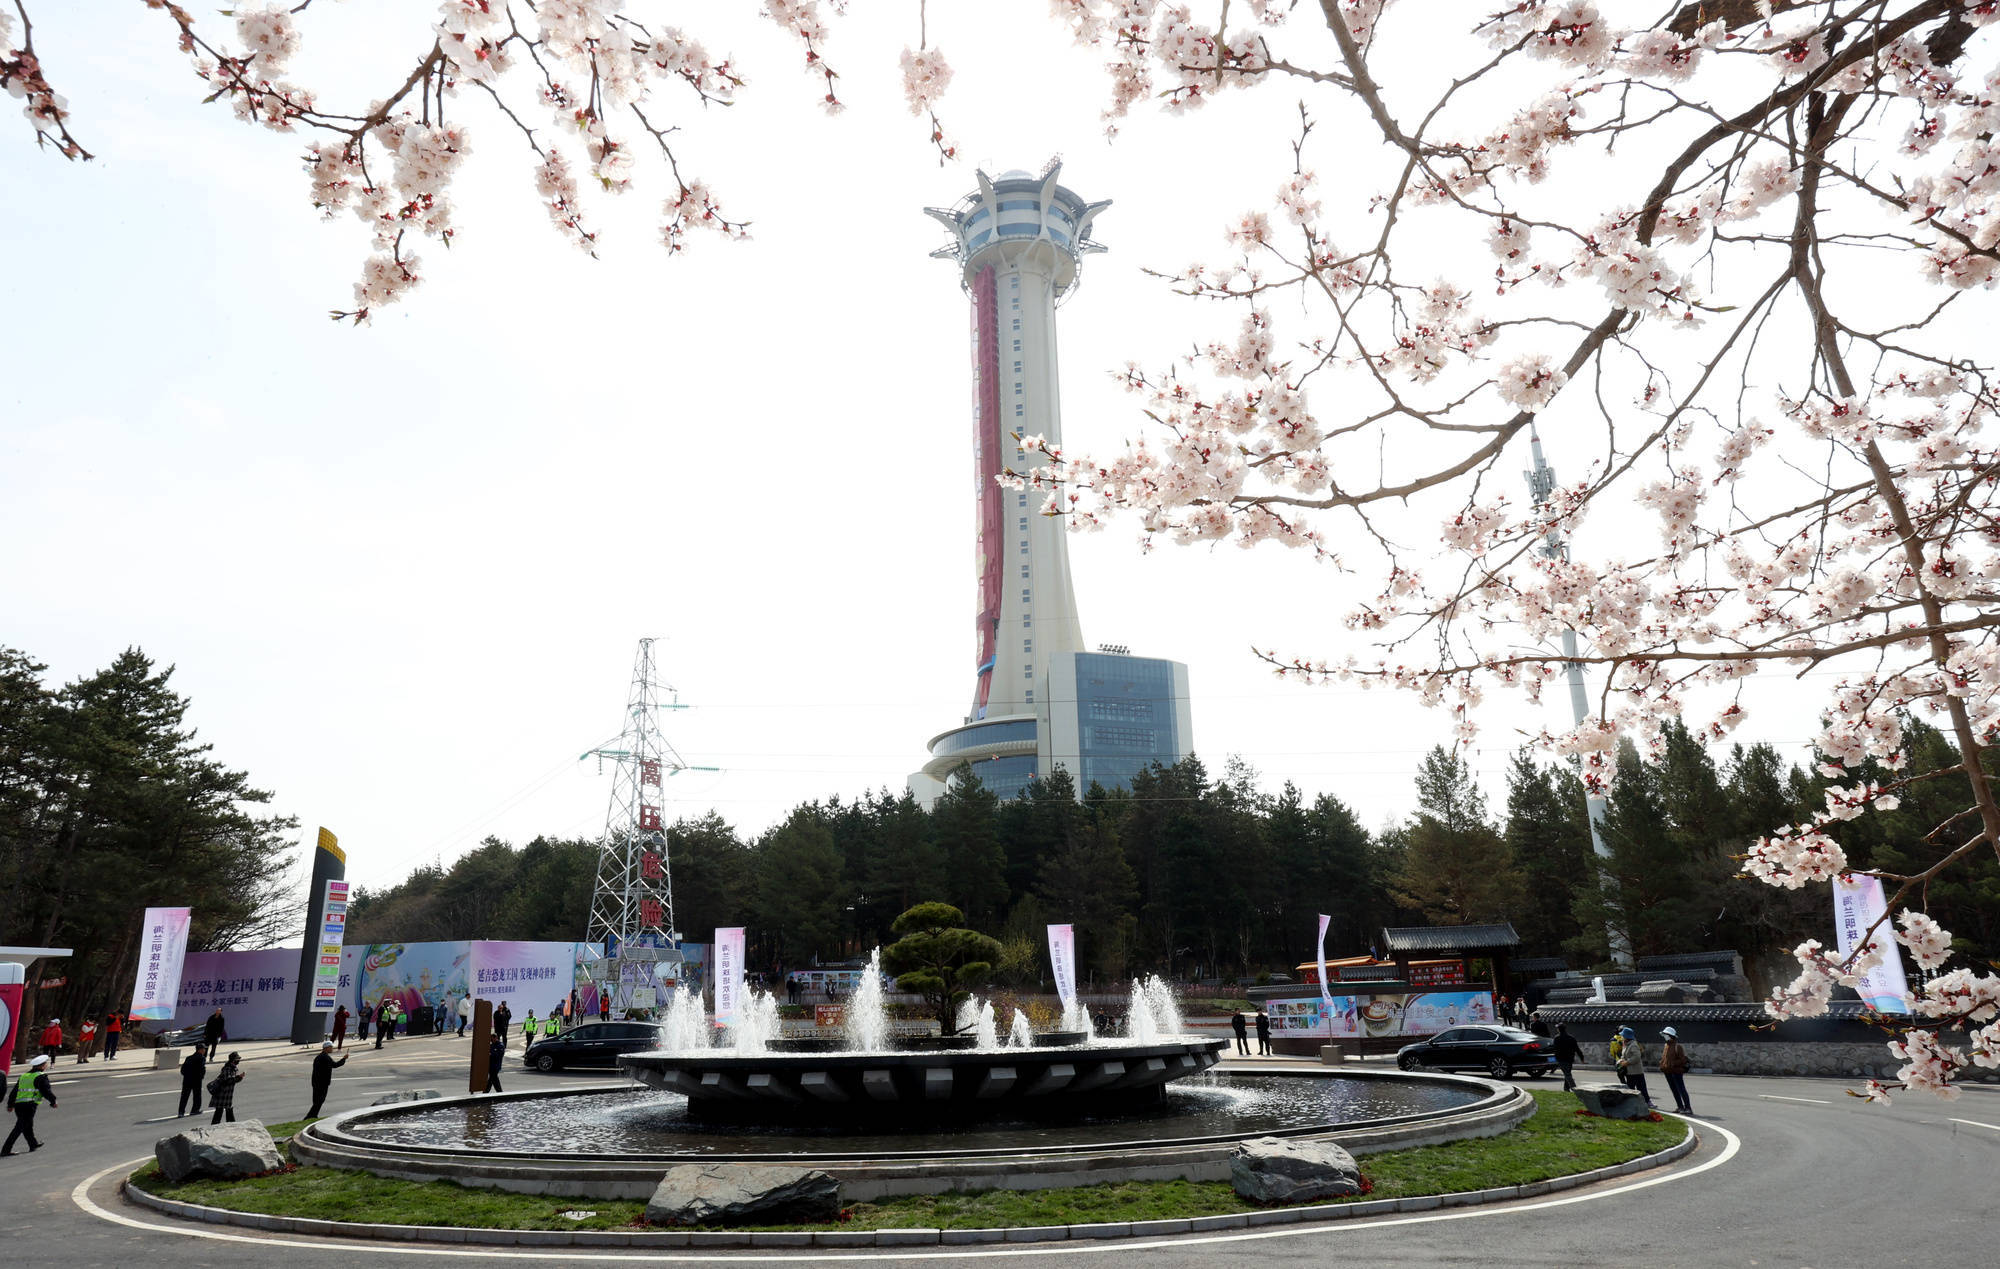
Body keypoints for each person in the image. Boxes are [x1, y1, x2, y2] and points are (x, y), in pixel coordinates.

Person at [3, 1054, 58, 1156]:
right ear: (42, 1066)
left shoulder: (23, 1076)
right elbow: (46, 1091)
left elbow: (14, 1092)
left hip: (19, 1105)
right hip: (29, 1105)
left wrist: (10, 1104)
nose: (46, 1065)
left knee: (27, 1125)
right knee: (19, 1127)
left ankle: (33, 1144)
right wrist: (53, 1101)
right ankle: (6, 1150)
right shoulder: (41, 1076)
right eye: (45, 1064)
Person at [1616, 1026, 1655, 1108]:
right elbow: (1624, 1055)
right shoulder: (1625, 1044)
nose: (1621, 1037)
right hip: (1629, 1071)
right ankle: (1632, 1103)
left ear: (1626, 1036)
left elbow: (1637, 1057)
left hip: (1636, 1071)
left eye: (1623, 1035)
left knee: (1641, 1088)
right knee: (1630, 1088)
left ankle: (1647, 1102)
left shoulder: (1633, 1045)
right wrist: (1620, 1061)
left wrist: (1627, 1062)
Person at [306, 1041, 347, 1118]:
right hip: (322, 1083)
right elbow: (335, 1065)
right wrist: (344, 1059)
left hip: (316, 1082)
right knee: (319, 1100)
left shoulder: (320, 1056)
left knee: (317, 1101)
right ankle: (309, 1116)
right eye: (331, 1047)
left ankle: (313, 1115)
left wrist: (343, 1059)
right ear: (326, 1048)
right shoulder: (325, 1057)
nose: (332, 1049)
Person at [1659, 1026, 1694, 1115]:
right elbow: (1664, 1058)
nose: (1664, 1036)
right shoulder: (1666, 1045)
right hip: (1667, 1072)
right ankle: (1680, 1107)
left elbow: (1683, 1060)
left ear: (1670, 1035)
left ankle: (1688, 1108)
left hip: (1676, 1072)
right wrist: (1662, 1064)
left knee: (1681, 1089)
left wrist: (1672, 1063)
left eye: (1665, 1034)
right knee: (1674, 1090)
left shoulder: (1678, 1046)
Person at [208, 1053, 244, 1124]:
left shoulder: (233, 1068)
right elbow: (228, 1080)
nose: (238, 1061)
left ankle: (228, 1124)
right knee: (221, 1110)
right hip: (222, 1093)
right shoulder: (227, 1068)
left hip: (227, 1093)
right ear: (233, 1060)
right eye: (237, 1059)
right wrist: (238, 1077)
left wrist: (240, 1078)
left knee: (225, 1110)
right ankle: (223, 1125)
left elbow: (233, 1080)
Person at [177, 1048, 207, 1117]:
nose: (204, 1050)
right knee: (197, 1096)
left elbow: (183, 1069)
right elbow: (202, 1069)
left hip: (187, 1080)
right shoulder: (202, 1058)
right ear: (200, 1050)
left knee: (184, 1096)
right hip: (196, 1080)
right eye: (203, 1049)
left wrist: (186, 1076)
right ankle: (194, 1110)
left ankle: (181, 1112)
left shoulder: (189, 1058)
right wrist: (201, 1077)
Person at [1552, 1023, 1580, 1091]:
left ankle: (1575, 1089)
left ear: (1558, 1029)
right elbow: (1576, 1048)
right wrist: (1581, 1057)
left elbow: (1555, 1049)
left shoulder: (1557, 1038)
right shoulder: (1571, 1038)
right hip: (1570, 1059)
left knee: (1567, 1074)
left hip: (1561, 1059)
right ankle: (1566, 1088)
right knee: (1567, 1073)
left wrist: (1555, 1057)